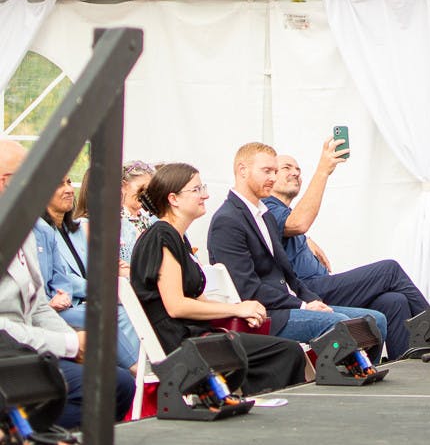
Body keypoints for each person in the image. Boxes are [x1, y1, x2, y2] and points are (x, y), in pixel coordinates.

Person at [129, 163, 308, 394]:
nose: (205, 194)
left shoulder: (176, 237)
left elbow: (198, 300)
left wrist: (242, 308)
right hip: (180, 344)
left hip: (195, 336)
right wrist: (236, 310)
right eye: (196, 190)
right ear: (173, 198)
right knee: (286, 352)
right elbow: (176, 306)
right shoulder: (161, 236)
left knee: (285, 350)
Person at [0, 140, 135, 429]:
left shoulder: (24, 230)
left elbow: (36, 304)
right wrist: (70, 343)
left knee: (119, 383)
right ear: (5, 182)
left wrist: (77, 346)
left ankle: (33, 432)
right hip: (7, 354)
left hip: (25, 348)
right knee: (109, 384)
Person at [207, 142, 387, 346]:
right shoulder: (227, 221)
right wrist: (302, 305)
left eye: (275, 171)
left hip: (289, 305)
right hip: (266, 315)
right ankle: (343, 375)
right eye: (267, 171)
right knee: (341, 324)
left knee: (375, 321)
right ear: (242, 170)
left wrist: (313, 301)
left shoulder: (265, 216)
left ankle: (363, 373)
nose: (273, 178)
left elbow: (289, 276)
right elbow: (247, 289)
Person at [266, 140, 430, 359]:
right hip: (308, 292)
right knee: (389, 270)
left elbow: (294, 226)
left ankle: (407, 360)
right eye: (286, 168)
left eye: (298, 169)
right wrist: (323, 170)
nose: (295, 173)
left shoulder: (284, 214)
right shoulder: (267, 208)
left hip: (323, 286)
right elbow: (297, 223)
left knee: (394, 301)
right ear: (270, 177)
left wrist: (307, 239)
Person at [31, 176, 141, 370]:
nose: (68, 189)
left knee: (128, 306)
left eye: (68, 182)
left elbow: (74, 273)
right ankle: (135, 370)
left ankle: (135, 370)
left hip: (77, 299)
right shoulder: (39, 232)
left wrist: (114, 269)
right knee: (110, 313)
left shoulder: (77, 229)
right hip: (58, 305)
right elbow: (57, 278)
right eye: (59, 183)